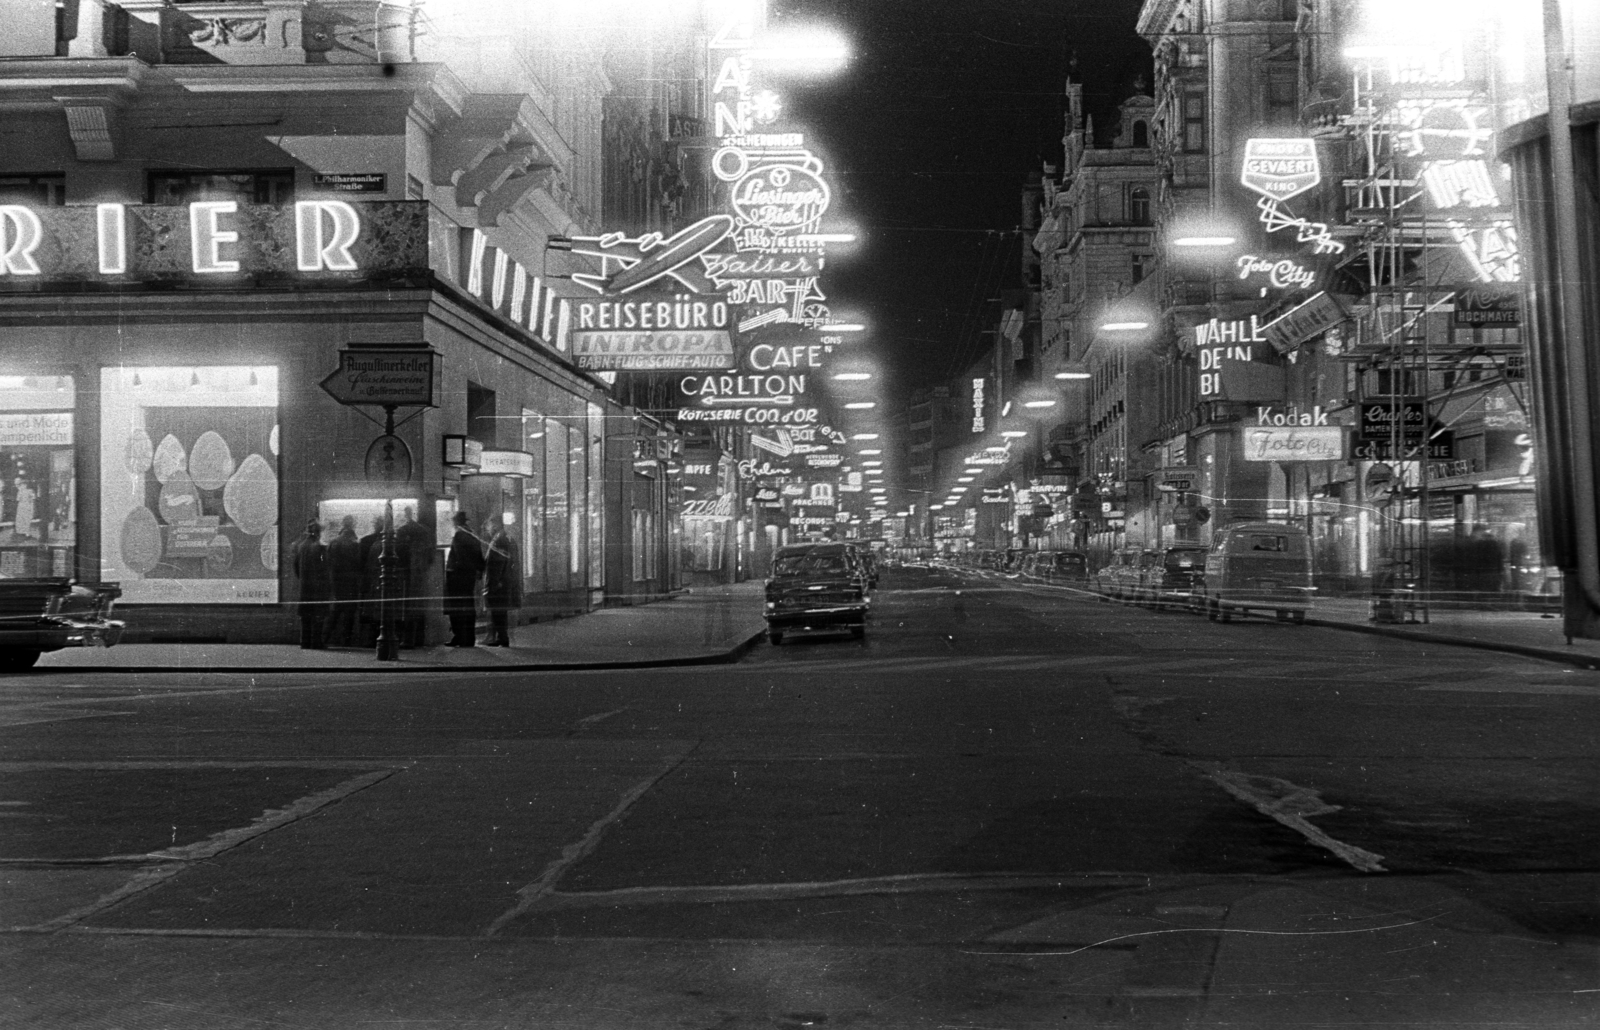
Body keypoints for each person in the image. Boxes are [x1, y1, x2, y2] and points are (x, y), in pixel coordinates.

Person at [395, 505, 436, 648]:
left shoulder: (403, 530)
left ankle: (407, 639)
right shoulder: (425, 530)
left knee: (407, 606)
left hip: (406, 574)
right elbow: (431, 556)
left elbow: (398, 552)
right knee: (419, 605)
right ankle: (419, 638)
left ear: (405, 514)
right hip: (421, 572)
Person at [443, 511, 485, 647]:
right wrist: (478, 571)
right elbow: (479, 557)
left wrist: (453, 572)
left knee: (456, 608)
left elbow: (459, 558)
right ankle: (469, 638)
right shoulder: (472, 535)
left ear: (456, 522)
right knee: (468, 606)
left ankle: (459, 637)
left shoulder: (459, 535)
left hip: (457, 577)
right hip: (469, 577)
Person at [289, 519, 329, 649]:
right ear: (318, 532)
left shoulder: (301, 546)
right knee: (318, 615)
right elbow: (324, 568)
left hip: (305, 586)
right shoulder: (319, 547)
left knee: (305, 615)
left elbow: (296, 566)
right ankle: (316, 642)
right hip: (318, 587)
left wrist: (303, 579)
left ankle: (305, 642)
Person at [482, 515, 521, 647]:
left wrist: (494, 582)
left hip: (498, 583)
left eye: (489, 526)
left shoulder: (499, 540)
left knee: (497, 611)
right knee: (500, 611)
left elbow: (497, 564)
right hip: (504, 581)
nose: (488, 529)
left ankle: (501, 638)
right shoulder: (507, 538)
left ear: (495, 525)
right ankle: (500, 637)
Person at [323, 515, 362, 647]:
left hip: (336, 583)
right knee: (349, 613)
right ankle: (346, 641)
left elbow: (327, 563)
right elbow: (358, 564)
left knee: (335, 612)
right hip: (351, 584)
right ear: (352, 525)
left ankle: (325, 638)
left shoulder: (333, 542)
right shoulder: (354, 543)